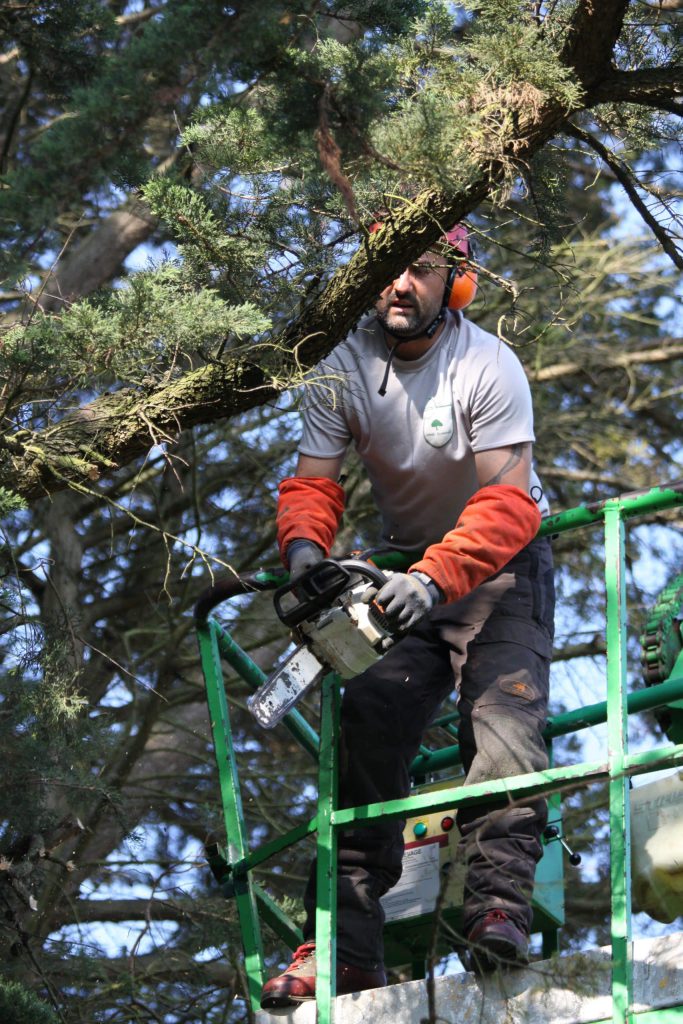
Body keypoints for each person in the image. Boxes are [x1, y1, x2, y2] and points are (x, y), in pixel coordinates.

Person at [260, 222, 555, 1013]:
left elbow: (506, 502)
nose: (398, 285)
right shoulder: (340, 366)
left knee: (504, 725)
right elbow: (312, 485)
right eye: (385, 270)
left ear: (453, 283)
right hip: (401, 567)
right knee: (368, 725)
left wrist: (436, 577)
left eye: (419, 270)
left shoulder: (487, 364)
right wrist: (304, 559)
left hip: (500, 565)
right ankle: (341, 946)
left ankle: (496, 907)